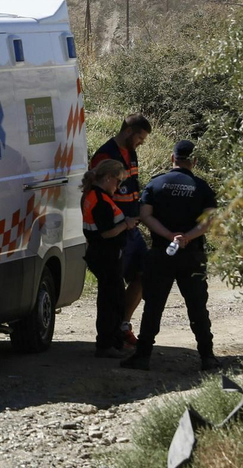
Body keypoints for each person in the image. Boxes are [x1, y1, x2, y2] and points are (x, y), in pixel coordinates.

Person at [120, 139, 219, 371]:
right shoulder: (202, 187)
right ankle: (207, 357)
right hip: (192, 254)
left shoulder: (156, 184)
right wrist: (187, 237)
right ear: (193, 161)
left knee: (153, 306)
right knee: (197, 306)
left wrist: (169, 235)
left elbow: (145, 215)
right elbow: (209, 221)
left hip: (160, 253)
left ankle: (143, 356)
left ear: (172, 158)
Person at [89, 113, 151, 347]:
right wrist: (119, 224)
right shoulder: (106, 155)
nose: (141, 142)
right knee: (111, 288)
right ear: (128, 132)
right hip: (117, 232)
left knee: (144, 274)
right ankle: (109, 337)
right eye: (140, 137)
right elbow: (99, 194)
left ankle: (122, 325)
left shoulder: (131, 153)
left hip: (132, 228)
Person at [80, 158, 137, 357]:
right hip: (105, 255)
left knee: (111, 298)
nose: (119, 186)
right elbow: (106, 232)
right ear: (107, 178)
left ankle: (111, 342)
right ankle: (106, 344)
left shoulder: (93, 195)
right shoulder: (100, 200)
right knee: (111, 302)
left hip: (101, 254)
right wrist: (127, 224)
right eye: (118, 181)